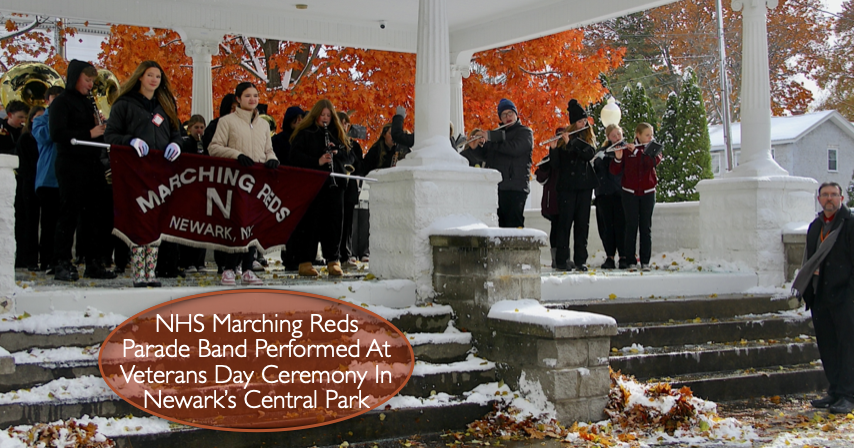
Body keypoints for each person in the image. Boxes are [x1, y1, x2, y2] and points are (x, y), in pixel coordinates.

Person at [105, 60, 183, 287]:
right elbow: (110, 136)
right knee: (139, 220)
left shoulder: (165, 103)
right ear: (140, 77)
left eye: (158, 76)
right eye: (150, 75)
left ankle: (152, 272)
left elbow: (176, 132)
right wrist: (130, 141)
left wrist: (177, 144)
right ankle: (139, 272)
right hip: (135, 172)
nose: (154, 80)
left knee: (156, 221)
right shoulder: (124, 104)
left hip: (161, 171)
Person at [49, 59, 116, 281]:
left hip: (91, 163)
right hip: (70, 164)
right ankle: (62, 262)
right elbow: (57, 134)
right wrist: (89, 133)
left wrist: (102, 130)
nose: (90, 85)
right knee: (69, 213)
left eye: (92, 81)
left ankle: (93, 261)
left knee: (94, 215)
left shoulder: (89, 103)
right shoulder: (61, 103)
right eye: (87, 80)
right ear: (75, 78)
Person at [792, 182, 854, 414]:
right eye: (825, 195)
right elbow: (810, 260)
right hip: (820, 296)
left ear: (842, 198)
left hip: (845, 297)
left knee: (847, 346)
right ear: (819, 199)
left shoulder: (849, 224)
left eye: (834, 195)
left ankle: (849, 394)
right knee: (827, 346)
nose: (829, 199)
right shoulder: (815, 225)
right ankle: (835, 391)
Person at [208, 82, 279, 286]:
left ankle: (248, 268)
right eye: (247, 96)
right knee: (236, 224)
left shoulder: (264, 125)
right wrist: (236, 155)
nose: (252, 99)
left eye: (255, 95)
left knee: (253, 225)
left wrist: (272, 159)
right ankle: (229, 268)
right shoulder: (227, 121)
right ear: (238, 99)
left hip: (257, 183)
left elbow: (268, 149)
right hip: (234, 180)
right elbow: (214, 148)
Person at [288, 98, 351, 277]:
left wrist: (337, 153)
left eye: (328, 115)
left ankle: (333, 260)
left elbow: (350, 157)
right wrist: (318, 161)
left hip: (334, 186)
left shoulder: (337, 135)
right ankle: (305, 261)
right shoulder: (305, 133)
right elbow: (295, 156)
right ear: (315, 116)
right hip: (313, 186)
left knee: (333, 223)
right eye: (322, 115)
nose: (325, 118)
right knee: (311, 223)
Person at [466, 98, 533, 228]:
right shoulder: (496, 135)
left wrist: (491, 140)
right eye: (504, 114)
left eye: (510, 113)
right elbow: (487, 156)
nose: (507, 117)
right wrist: (475, 147)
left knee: (514, 225)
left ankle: (516, 249)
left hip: (516, 187)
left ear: (516, 114)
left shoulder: (525, 132)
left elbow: (514, 149)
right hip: (499, 187)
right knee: (500, 227)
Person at [550, 99, 597, 271]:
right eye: (579, 121)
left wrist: (572, 144)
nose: (583, 123)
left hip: (584, 187)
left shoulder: (587, 138)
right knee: (564, 224)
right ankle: (562, 260)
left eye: (584, 121)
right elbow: (555, 165)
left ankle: (580, 260)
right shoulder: (564, 138)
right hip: (567, 188)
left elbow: (588, 155)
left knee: (582, 224)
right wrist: (554, 148)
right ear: (573, 122)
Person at [610, 122, 662, 272]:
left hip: (648, 193)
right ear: (638, 135)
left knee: (645, 227)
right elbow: (615, 171)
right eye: (647, 135)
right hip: (629, 194)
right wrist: (619, 157)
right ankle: (630, 260)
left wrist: (639, 152)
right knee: (630, 226)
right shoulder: (628, 149)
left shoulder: (654, 150)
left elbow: (649, 163)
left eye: (651, 135)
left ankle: (645, 261)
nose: (650, 137)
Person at [32, 86, 65, 274]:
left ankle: (59, 259)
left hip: (64, 178)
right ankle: (45, 261)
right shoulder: (40, 120)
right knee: (48, 223)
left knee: (63, 223)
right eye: (55, 98)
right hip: (47, 178)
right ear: (47, 101)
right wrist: (56, 115)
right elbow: (45, 137)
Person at [15, 106, 45, 271]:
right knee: (30, 223)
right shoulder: (25, 139)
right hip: (29, 183)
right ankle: (29, 259)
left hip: (41, 182)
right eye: (37, 117)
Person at [594, 124, 628, 270]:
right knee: (607, 228)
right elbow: (598, 172)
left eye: (619, 134)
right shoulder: (601, 152)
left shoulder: (627, 150)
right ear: (608, 137)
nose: (617, 138)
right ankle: (610, 257)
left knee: (622, 226)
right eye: (613, 135)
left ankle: (623, 257)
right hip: (604, 195)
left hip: (621, 194)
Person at [336, 111, 362, 269]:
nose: (344, 126)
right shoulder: (331, 142)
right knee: (335, 222)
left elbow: (359, 166)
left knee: (348, 224)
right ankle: (335, 256)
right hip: (336, 187)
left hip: (350, 187)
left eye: (347, 123)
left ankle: (346, 254)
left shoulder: (354, 145)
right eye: (342, 122)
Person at [534, 128, 563, 268]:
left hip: (567, 198)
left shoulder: (570, 155)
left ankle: (565, 257)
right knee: (556, 227)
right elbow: (540, 177)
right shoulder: (549, 157)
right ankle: (556, 258)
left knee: (565, 228)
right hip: (553, 199)